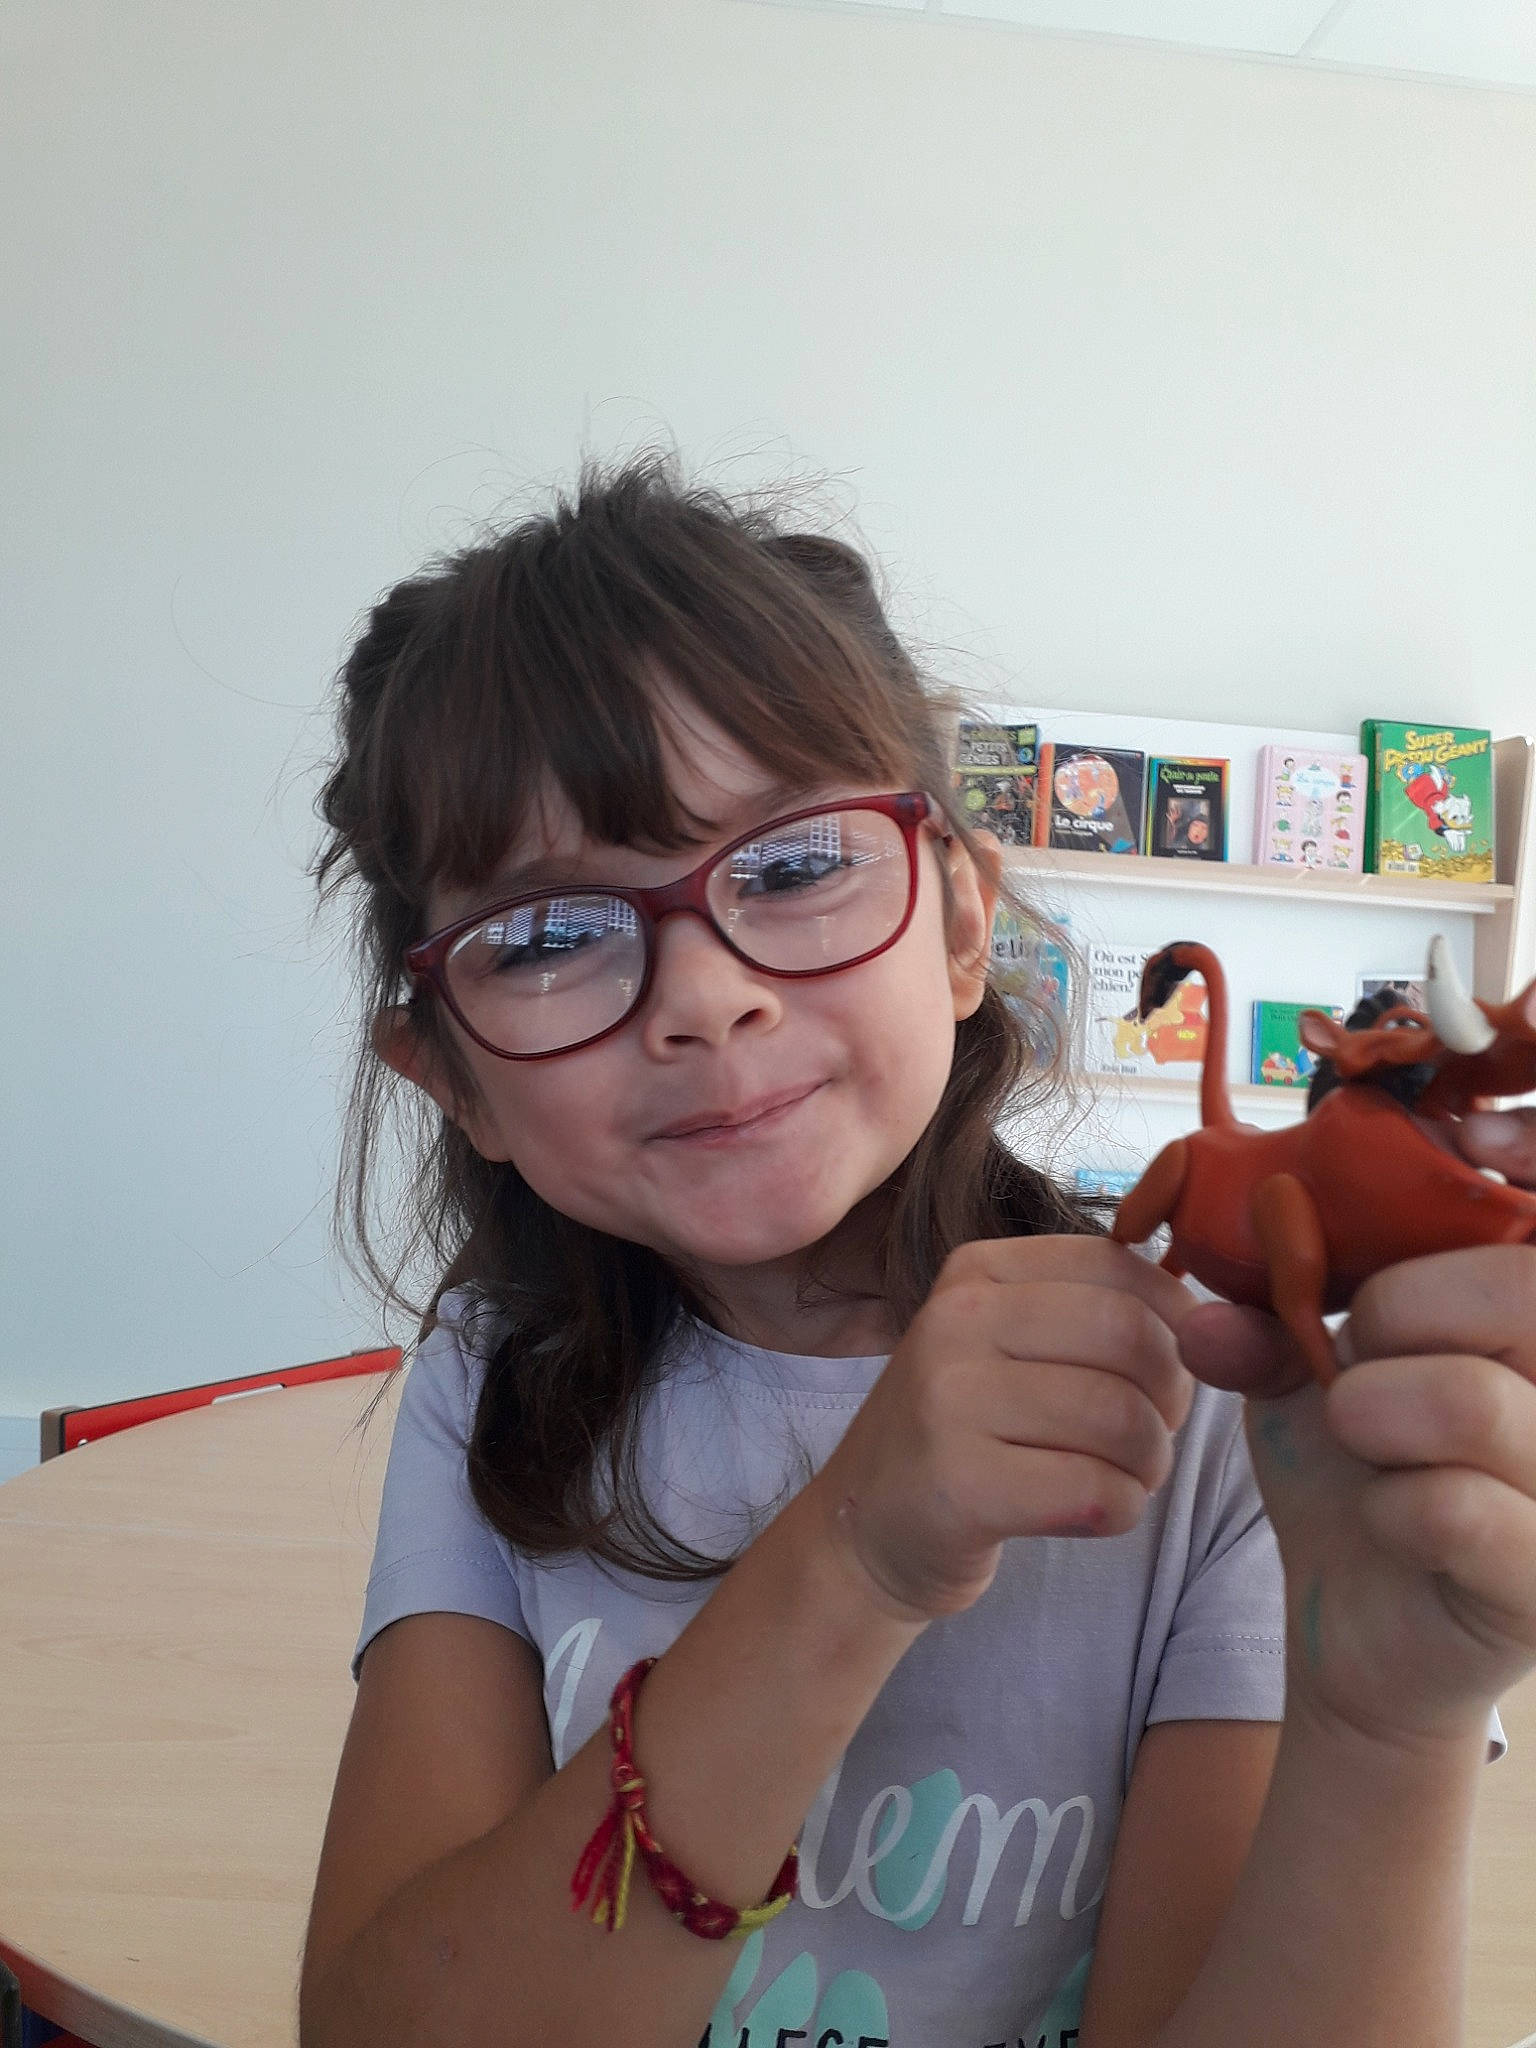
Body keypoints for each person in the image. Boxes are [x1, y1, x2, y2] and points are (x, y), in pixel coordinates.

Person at [298, 459, 1536, 2048]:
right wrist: (853, 1553)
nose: (705, 998)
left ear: (964, 922)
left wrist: (1388, 1727)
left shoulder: (1220, 1395)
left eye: (797, 864)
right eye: (548, 937)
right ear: (451, 1073)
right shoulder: (493, 1382)